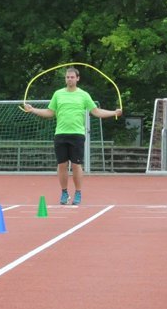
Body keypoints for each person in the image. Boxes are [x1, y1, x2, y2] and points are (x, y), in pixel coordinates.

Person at [24, 67, 122, 205]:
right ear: (65, 79)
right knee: (62, 165)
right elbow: (50, 112)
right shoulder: (58, 94)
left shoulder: (84, 95)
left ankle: (78, 192)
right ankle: (64, 192)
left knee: (76, 165)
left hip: (77, 134)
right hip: (60, 134)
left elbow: (96, 111)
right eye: (67, 77)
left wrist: (114, 113)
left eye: (72, 77)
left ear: (77, 78)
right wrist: (33, 109)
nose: (69, 79)